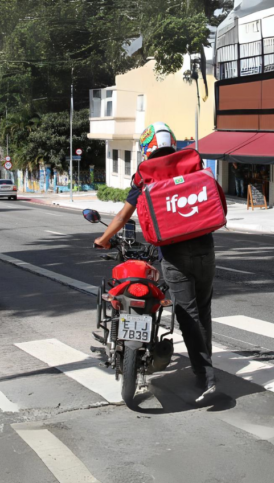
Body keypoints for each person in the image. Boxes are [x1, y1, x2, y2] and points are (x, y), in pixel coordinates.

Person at [93, 122, 218, 403]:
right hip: (205, 248)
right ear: (172, 142)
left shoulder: (145, 175)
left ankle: (206, 377)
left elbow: (123, 217)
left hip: (174, 253)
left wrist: (103, 239)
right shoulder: (192, 163)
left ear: (147, 147)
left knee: (188, 315)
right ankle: (205, 370)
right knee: (204, 311)